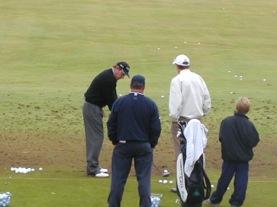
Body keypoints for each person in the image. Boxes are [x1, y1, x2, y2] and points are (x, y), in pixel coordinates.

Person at [107, 75, 161, 207]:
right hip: (143, 146)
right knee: (144, 180)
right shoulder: (151, 104)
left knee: (118, 180)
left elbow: (111, 124)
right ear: (143, 87)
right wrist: (151, 144)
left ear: (131, 85)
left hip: (123, 145)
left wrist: (115, 140)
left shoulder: (119, 102)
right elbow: (156, 129)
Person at [206, 97, 260, 207]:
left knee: (224, 179)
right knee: (241, 182)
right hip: (243, 158)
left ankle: (215, 200)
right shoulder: (249, 125)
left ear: (236, 107)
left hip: (229, 157)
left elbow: (222, 138)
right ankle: (236, 202)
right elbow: (254, 140)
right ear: (248, 110)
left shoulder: (226, 122)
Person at [83, 61, 130, 178]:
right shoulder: (108, 79)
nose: (122, 77)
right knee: (96, 137)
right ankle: (93, 168)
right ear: (118, 69)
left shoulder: (110, 77)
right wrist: (120, 115)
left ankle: (94, 166)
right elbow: (112, 103)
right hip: (92, 108)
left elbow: (113, 98)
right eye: (123, 74)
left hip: (94, 107)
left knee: (96, 137)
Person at [169, 54, 211, 160]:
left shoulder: (177, 80)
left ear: (177, 66)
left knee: (180, 150)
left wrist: (174, 119)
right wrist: (203, 113)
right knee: (197, 150)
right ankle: (196, 174)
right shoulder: (198, 78)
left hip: (182, 121)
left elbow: (176, 103)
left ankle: (183, 175)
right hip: (197, 121)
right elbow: (206, 100)